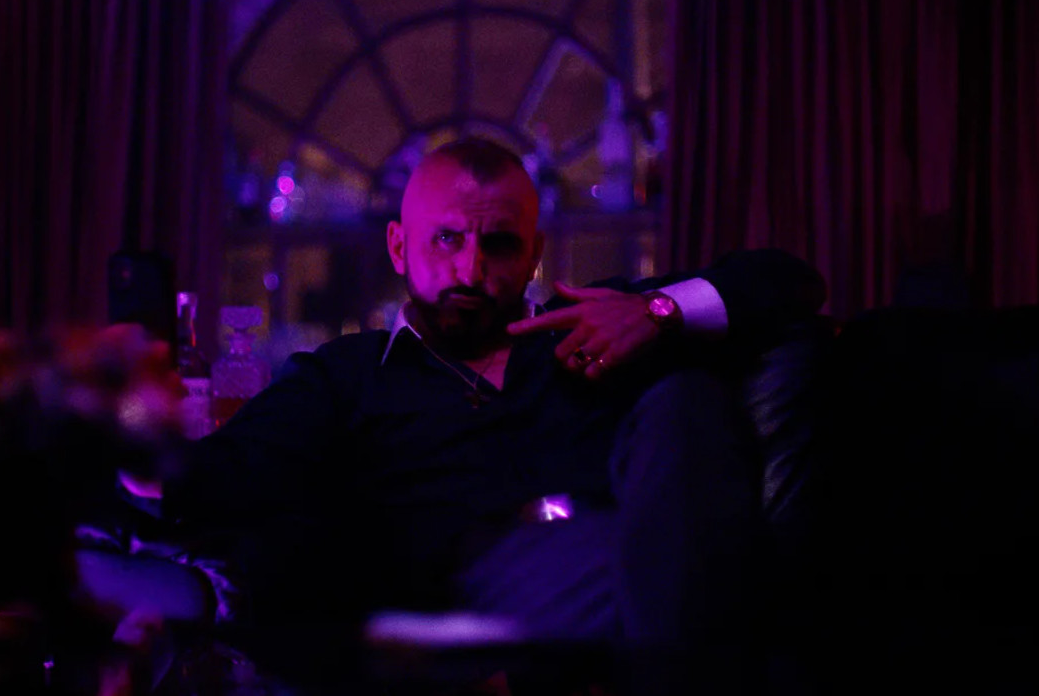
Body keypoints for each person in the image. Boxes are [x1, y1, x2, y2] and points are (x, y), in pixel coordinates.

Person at [143, 138, 826, 694]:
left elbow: (790, 282)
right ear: (399, 247)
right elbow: (213, 477)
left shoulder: (590, 320)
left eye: (498, 244)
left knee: (687, 399)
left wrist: (658, 312)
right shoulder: (345, 377)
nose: (471, 271)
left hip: (639, 564)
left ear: (532, 255)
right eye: (446, 239)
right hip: (474, 595)